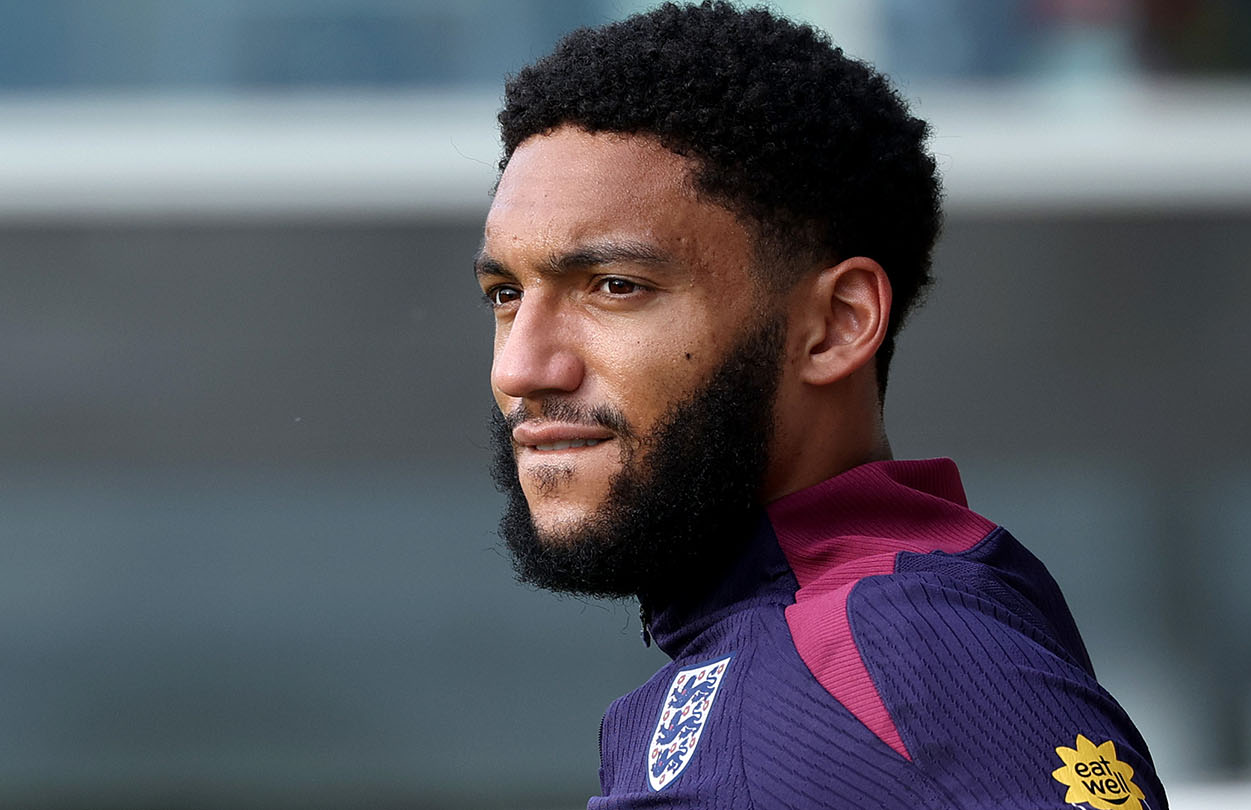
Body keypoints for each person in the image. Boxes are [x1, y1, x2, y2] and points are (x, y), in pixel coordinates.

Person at [477, 2, 1166, 808]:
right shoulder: (809, 648)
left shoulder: (904, 649)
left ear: (837, 324)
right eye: (506, 294)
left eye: (616, 286)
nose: (521, 367)